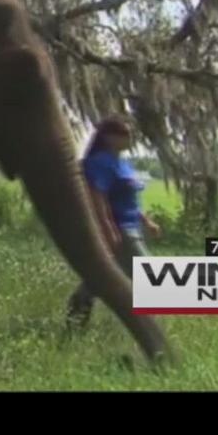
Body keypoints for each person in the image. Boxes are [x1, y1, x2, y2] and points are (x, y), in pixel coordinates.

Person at [66, 115, 162, 328]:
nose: (131, 137)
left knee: (104, 274)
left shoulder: (123, 163)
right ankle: (149, 328)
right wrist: (108, 229)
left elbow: (130, 199)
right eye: (125, 133)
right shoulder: (99, 163)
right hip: (120, 228)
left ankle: (78, 308)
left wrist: (146, 221)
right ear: (108, 137)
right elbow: (98, 199)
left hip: (133, 227)